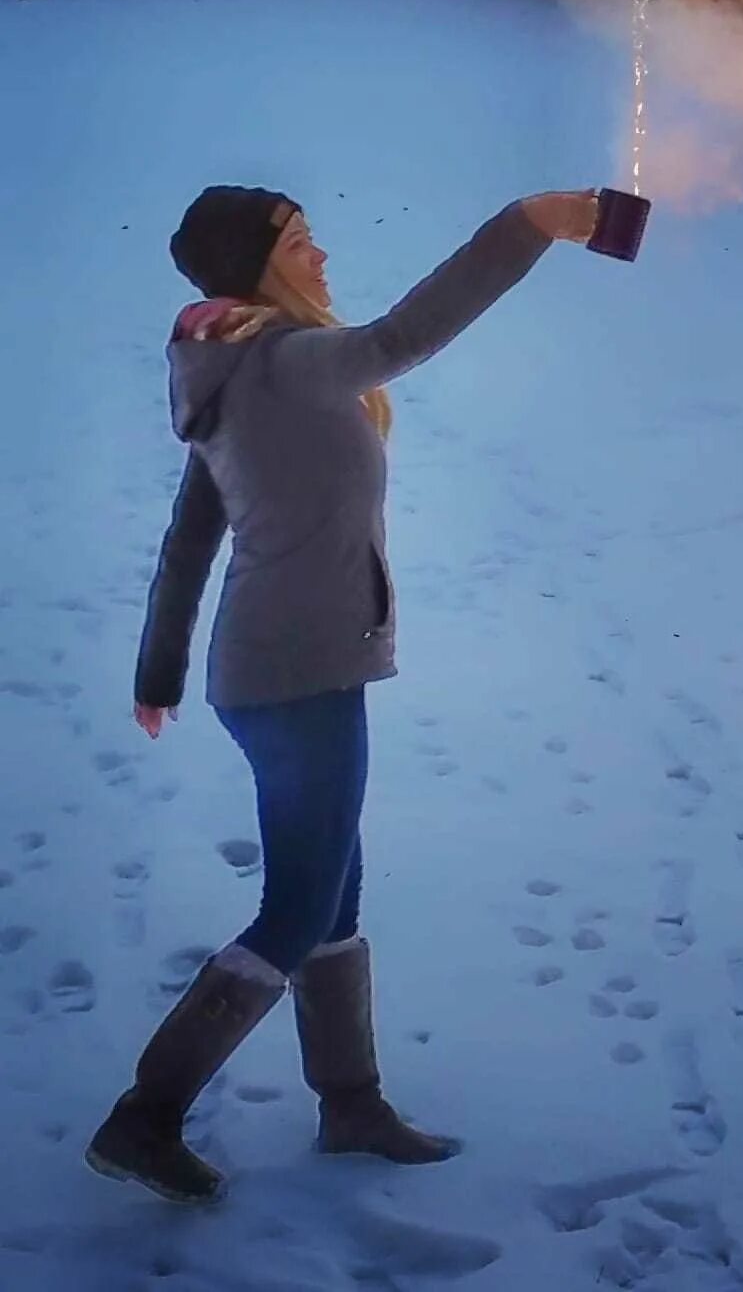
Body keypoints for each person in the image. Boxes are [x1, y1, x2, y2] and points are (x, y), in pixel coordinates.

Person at [85, 183, 599, 1206]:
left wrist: (159, 671)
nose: (322, 258)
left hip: (283, 670)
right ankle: (145, 1118)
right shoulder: (284, 364)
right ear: (260, 264)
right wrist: (528, 225)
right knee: (299, 903)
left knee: (333, 893)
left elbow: (194, 532)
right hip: (296, 674)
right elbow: (405, 334)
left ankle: (351, 1103)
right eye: (303, 244)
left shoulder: (235, 370)